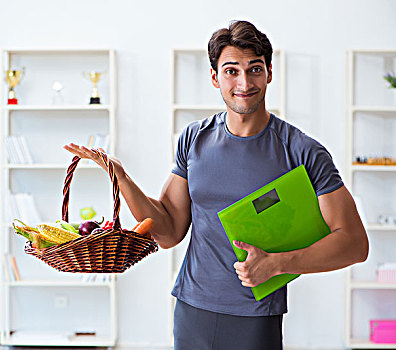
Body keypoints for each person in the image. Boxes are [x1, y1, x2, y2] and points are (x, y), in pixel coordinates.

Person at [64, 20, 368, 350]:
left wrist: (277, 264)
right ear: (214, 77)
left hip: (256, 315)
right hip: (192, 308)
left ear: (269, 73)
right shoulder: (194, 139)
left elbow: (354, 243)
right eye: (231, 71)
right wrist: (121, 177)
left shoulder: (302, 152)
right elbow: (168, 232)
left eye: (254, 69)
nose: (244, 82)